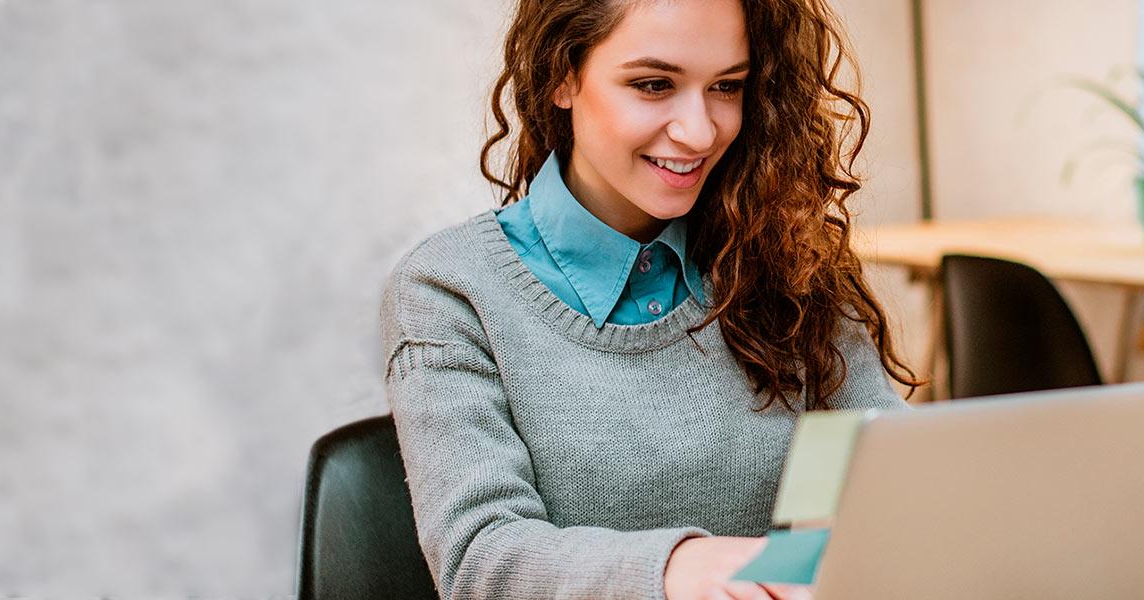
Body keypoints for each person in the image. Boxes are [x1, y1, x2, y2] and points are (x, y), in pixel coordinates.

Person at [378, 0, 920, 598]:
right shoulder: (452, 287)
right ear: (562, 75)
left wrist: (799, 564)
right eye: (654, 84)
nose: (700, 131)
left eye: (726, 86)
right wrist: (675, 567)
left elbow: (881, 479)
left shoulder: (790, 257)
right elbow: (482, 557)